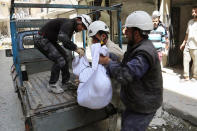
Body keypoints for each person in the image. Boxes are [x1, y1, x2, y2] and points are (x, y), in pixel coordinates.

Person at [99, 11, 163, 131]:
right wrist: (111, 58)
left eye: (128, 30)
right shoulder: (135, 46)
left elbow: (125, 75)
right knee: (126, 124)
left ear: (137, 33)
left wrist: (107, 62)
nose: (125, 33)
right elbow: (125, 66)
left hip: (143, 106)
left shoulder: (144, 53)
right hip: (134, 102)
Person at [34, 14, 92, 93]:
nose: (82, 29)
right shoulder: (69, 23)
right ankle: (52, 85)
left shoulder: (71, 27)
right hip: (41, 40)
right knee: (60, 60)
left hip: (49, 40)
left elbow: (65, 43)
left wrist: (77, 48)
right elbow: (62, 37)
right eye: (83, 27)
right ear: (79, 21)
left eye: (84, 29)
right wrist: (76, 48)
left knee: (65, 56)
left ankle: (65, 82)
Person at [180, 6, 197, 81]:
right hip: (188, 45)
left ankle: (194, 76)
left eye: (195, 12)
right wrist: (183, 43)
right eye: (192, 12)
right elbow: (187, 33)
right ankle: (186, 76)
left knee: (196, 64)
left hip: (196, 46)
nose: (193, 13)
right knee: (185, 60)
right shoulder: (190, 22)